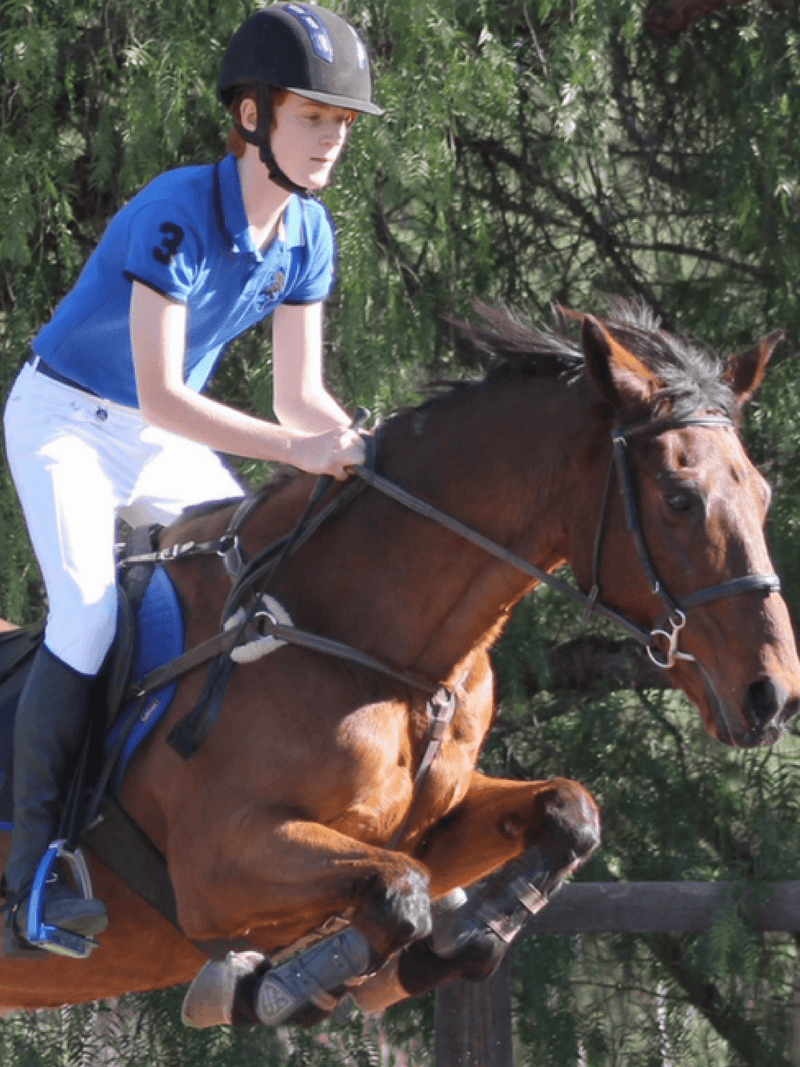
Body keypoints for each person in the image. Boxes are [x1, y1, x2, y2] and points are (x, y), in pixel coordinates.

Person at [1, 2, 382, 958]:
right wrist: (296, 453)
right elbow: (167, 395)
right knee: (86, 616)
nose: (332, 139)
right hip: (64, 423)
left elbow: (302, 396)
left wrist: (365, 451)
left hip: (150, 436)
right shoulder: (176, 211)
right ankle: (35, 877)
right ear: (251, 116)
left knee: (255, 568)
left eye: (340, 124)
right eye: (312, 117)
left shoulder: (309, 234)